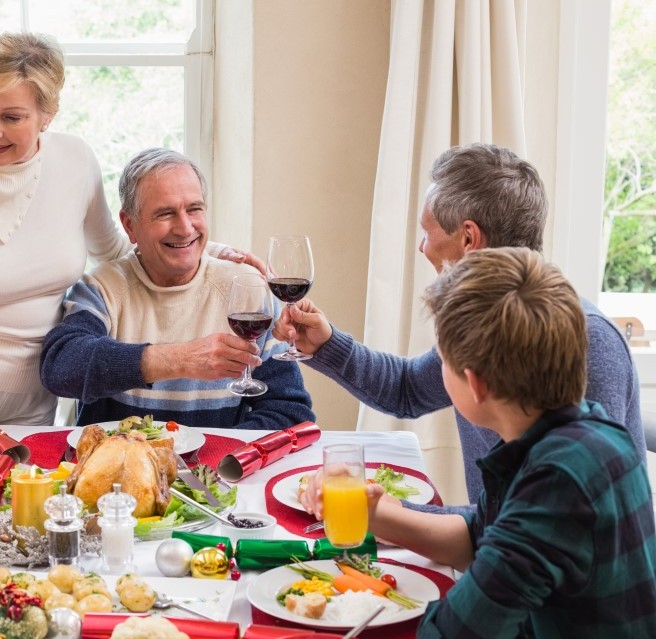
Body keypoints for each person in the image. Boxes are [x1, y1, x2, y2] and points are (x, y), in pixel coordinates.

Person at [0, 32, 261, 425]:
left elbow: (119, 250)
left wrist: (210, 253)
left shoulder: (74, 161)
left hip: (34, 400)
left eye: (11, 117)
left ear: (47, 115)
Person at [275, 143, 643, 506]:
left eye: (427, 231)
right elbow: (409, 389)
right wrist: (326, 344)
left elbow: (566, 520)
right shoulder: (485, 318)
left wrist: (379, 510)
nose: (422, 247)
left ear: (468, 237)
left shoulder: (585, 342)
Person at [329, 248, 656, 637]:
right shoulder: (577, 431)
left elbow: (454, 631)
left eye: (442, 359)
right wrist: (381, 514)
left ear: (476, 384)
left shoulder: (559, 482)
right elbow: (484, 531)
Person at [39, 148, 315, 429]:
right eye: (165, 214)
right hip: (120, 470)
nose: (185, 229)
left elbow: (290, 413)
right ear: (130, 225)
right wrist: (180, 359)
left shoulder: (248, 291)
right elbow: (61, 367)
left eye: (194, 209)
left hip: (215, 471)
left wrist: (210, 459)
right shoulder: (102, 288)